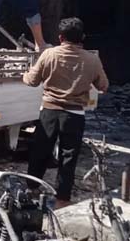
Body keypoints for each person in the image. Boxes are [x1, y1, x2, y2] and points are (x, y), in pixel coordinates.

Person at [24, 18, 109, 208]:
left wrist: (25, 73)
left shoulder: (49, 55)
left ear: (60, 37)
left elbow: (31, 80)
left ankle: (31, 190)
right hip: (75, 115)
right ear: (83, 38)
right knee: (68, 158)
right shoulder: (91, 59)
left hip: (49, 111)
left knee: (40, 151)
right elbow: (103, 86)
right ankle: (62, 200)